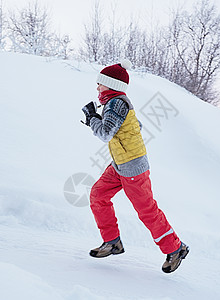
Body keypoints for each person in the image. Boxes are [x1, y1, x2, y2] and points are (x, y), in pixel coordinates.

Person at [81, 59, 189, 273]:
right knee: (97, 194)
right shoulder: (116, 103)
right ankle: (112, 242)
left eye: (100, 83)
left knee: (147, 210)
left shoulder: (117, 103)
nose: (97, 87)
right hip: (120, 164)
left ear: (111, 84)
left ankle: (176, 248)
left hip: (132, 168)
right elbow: (133, 125)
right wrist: (98, 119)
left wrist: (92, 117)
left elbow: (105, 133)